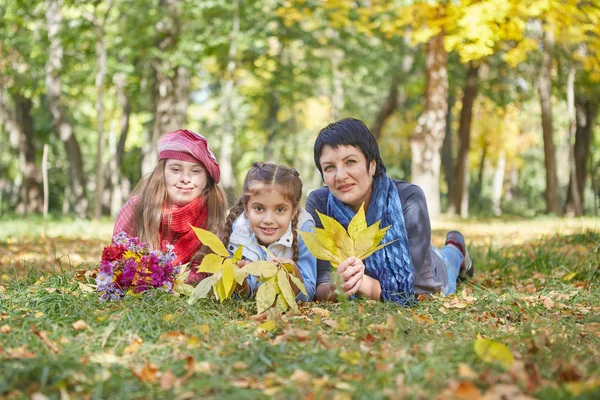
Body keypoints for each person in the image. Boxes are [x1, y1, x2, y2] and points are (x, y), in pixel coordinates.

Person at [305, 118, 474, 305]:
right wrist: (337, 287)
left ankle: (456, 246)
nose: (341, 176)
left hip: (428, 276)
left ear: (372, 164)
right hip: (412, 256)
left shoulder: (409, 198)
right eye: (329, 167)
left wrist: (361, 283)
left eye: (350, 162)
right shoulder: (319, 203)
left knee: (448, 261)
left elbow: (408, 289)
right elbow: (320, 285)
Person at [113, 129, 228, 284]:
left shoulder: (213, 214)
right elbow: (117, 257)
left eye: (195, 171)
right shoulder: (138, 207)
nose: (186, 179)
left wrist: (169, 281)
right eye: (176, 169)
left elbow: (207, 270)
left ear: (207, 179)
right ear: (162, 173)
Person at [223, 162, 317, 302]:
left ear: (294, 212)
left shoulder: (305, 230)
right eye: (259, 208)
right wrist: (241, 284)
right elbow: (234, 292)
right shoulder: (239, 230)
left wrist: (295, 275)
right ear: (247, 209)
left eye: (280, 210)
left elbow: (309, 293)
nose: (268, 220)